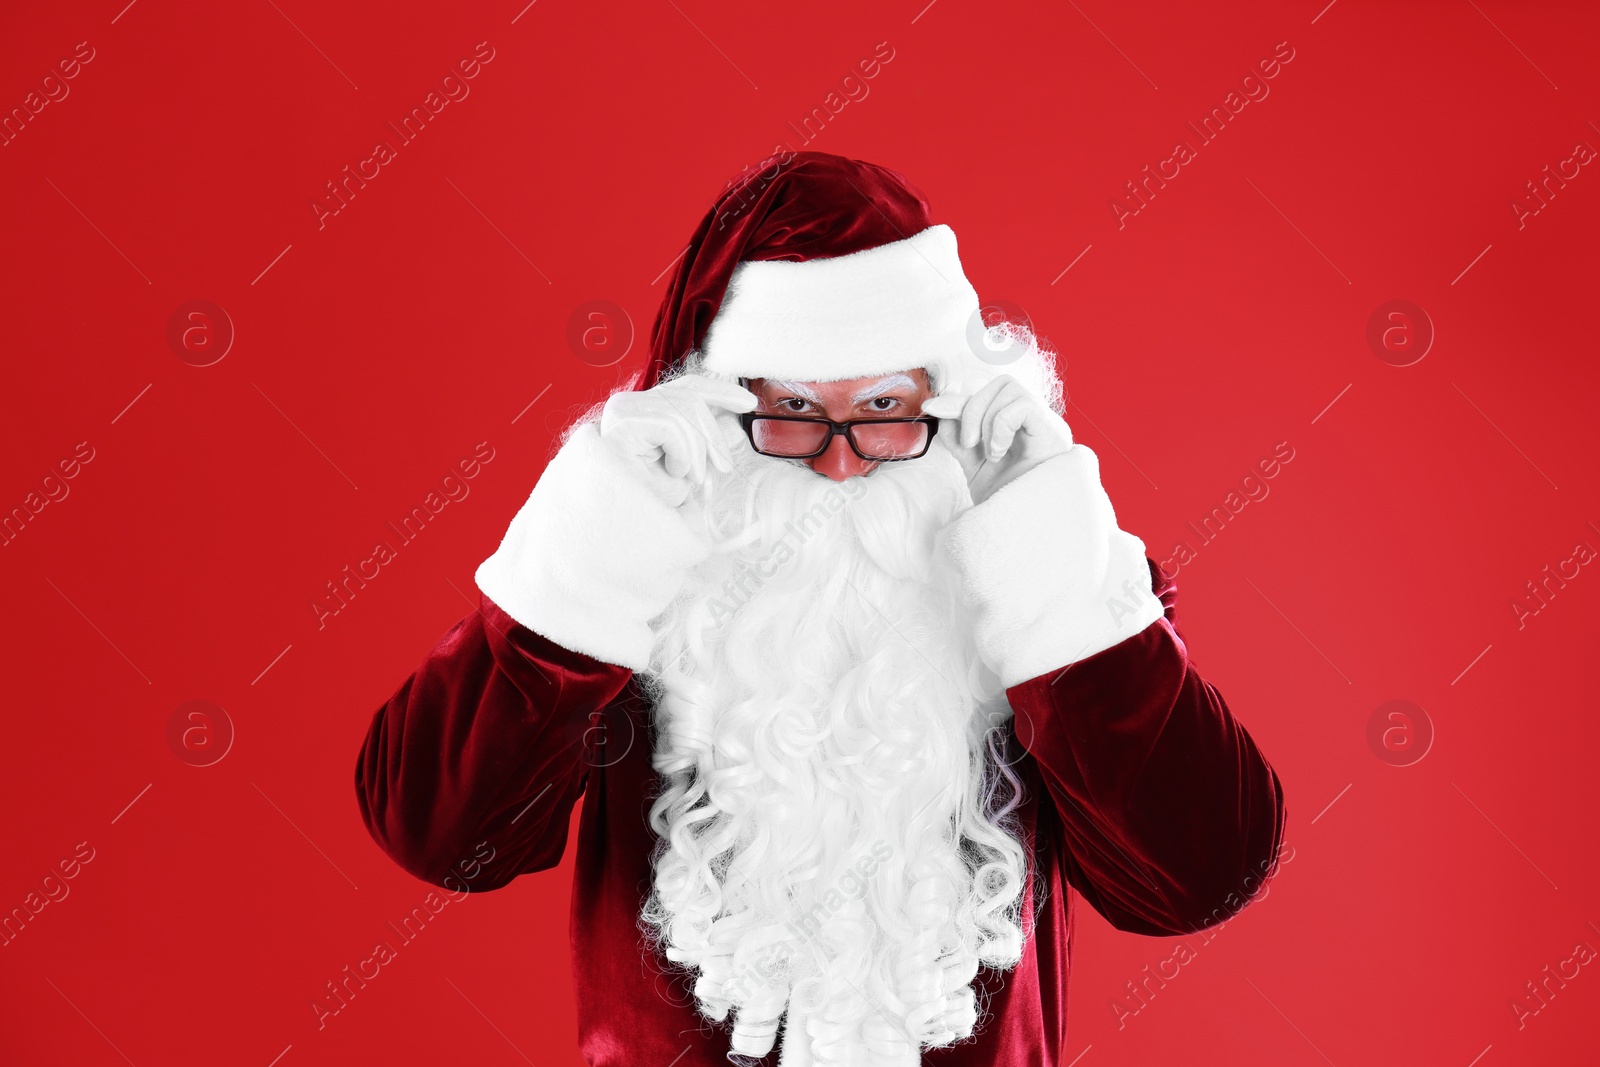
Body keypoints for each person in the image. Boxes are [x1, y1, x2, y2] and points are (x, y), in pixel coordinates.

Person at [355, 151, 1285, 1066]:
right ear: (719, 408)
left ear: (949, 401)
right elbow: (440, 834)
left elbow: (1202, 878)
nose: (841, 461)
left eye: (885, 405)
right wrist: (593, 540)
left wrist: (1051, 545)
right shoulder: (629, 597)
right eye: (793, 407)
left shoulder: (1056, 585)